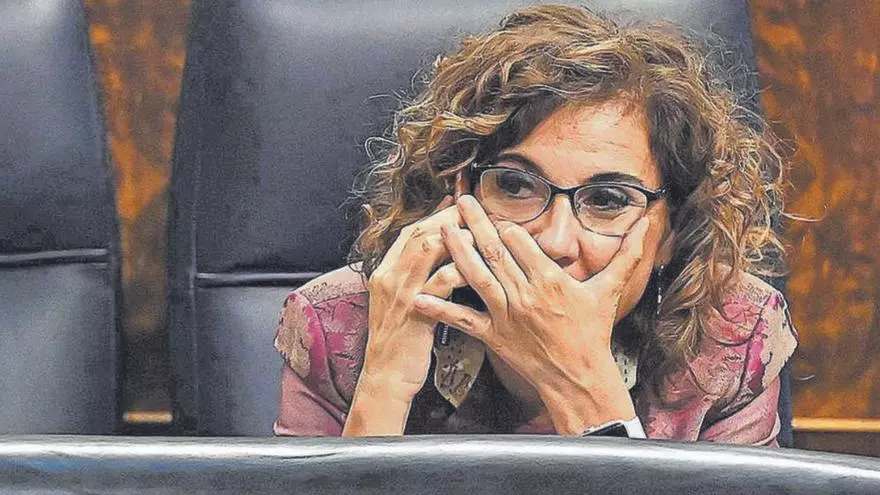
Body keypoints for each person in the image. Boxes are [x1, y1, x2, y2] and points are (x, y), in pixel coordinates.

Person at [273, 4, 798, 444]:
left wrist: (585, 388)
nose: (554, 240)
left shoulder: (732, 338)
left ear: (672, 230)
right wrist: (384, 384)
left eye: (608, 200)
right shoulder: (341, 324)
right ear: (456, 196)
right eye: (515, 186)